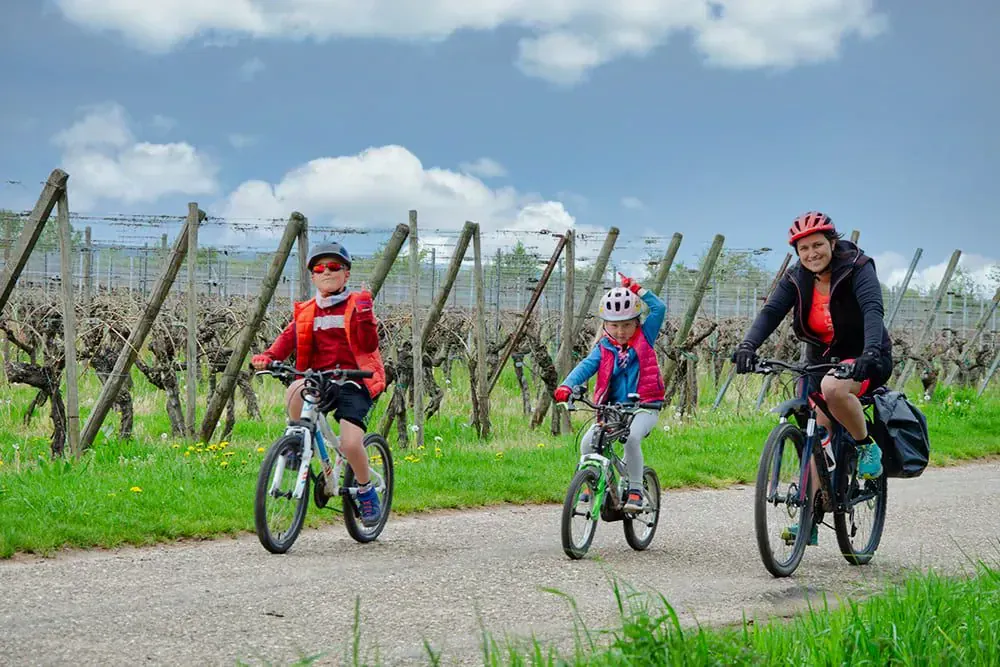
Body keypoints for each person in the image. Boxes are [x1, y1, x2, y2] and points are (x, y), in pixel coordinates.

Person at [732, 212, 893, 543]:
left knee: (833, 390)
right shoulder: (796, 278)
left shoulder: (858, 267)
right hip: (818, 359)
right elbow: (771, 312)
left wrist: (871, 353)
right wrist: (748, 345)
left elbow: (873, 311)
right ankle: (811, 520)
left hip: (865, 354)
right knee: (815, 430)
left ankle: (865, 446)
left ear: (832, 243)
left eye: (818, 245)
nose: (811, 254)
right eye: (803, 248)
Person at [252, 242, 386, 527]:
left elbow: (369, 344)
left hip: (355, 379)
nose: (327, 272)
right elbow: (288, 339)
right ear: (312, 276)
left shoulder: (357, 304)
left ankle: (365, 490)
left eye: (335, 267)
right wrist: (268, 357)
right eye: (320, 268)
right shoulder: (308, 311)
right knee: (294, 390)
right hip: (320, 378)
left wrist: (365, 315)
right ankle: (296, 446)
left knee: (350, 443)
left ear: (346, 274)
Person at [553, 274, 666, 513]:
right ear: (605, 325)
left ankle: (635, 489)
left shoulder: (645, 338)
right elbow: (584, 367)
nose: (621, 331)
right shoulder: (603, 347)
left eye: (626, 324)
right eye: (614, 325)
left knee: (633, 438)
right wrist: (566, 386)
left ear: (637, 322)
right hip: (613, 407)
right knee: (588, 443)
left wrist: (637, 289)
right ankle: (591, 483)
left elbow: (659, 308)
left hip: (646, 405)